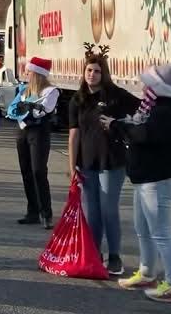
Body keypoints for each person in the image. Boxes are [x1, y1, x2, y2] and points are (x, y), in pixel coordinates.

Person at [105, 62, 171, 304]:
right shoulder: (157, 110)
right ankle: (147, 273)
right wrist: (122, 125)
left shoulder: (166, 113)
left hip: (158, 180)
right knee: (143, 230)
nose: (143, 88)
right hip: (145, 179)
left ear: (158, 87)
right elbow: (139, 130)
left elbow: (142, 135)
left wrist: (117, 126)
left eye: (148, 84)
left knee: (161, 234)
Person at [68, 46, 138, 276]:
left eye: (97, 71)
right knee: (93, 212)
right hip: (87, 162)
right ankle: (95, 253)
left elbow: (141, 110)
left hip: (112, 161)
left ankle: (115, 256)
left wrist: (120, 124)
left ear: (104, 74)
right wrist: (72, 167)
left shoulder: (115, 95)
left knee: (109, 210)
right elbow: (74, 134)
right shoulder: (78, 100)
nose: (92, 75)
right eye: (89, 70)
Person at [8, 56, 61, 229]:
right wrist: (25, 110)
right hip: (23, 131)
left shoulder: (51, 91)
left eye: (29, 71)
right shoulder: (24, 90)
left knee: (38, 171)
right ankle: (33, 211)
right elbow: (13, 110)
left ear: (37, 74)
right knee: (26, 172)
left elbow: (44, 111)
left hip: (39, 132)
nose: (26, 73)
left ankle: (47, 213)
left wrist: (29, 109)